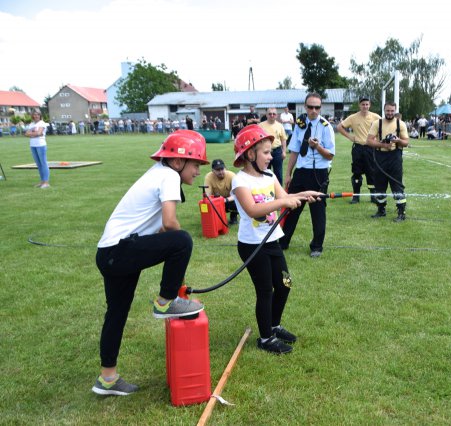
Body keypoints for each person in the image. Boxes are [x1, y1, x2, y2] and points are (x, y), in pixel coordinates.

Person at [92, 130, 208, 396]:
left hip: (109, 253)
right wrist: (177, 256)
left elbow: (156, 232)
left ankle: (107, 379)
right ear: (178, 162)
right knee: (182, 239)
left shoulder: (158, 173)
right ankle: (165, 302)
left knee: (116, 314)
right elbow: (170, 224)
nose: (198, 171)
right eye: (196, 164)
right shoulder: (167, 175)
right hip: (120, 251)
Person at [231, 125, 322, 354]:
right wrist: (283, 203)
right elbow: (252, 209)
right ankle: (265, 339)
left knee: (285, 284)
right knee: (265, 291)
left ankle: (274, 325)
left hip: (272, 241)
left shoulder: (270, 175)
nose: (272, 156)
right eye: (265, 152)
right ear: (250, 154)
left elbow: (285, 197)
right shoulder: (240, 182)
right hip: (253, 246)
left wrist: (304, 194)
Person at [280, 93, 335, 258]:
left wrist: (317, 147)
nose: (313, 110)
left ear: (320, 108)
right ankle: (283, 241)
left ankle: (317, 246)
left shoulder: (326, 127)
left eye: (317, 107)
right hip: (301, 172)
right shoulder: (300, 124)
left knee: (317, 211)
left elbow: (330, 155)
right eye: (310, 107)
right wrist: (288, 174)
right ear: (305, 107)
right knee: (291, 208)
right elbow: (294, 151)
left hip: (318, 173)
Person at [366, 101, 409, 222]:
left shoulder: (401, 124)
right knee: (379, 184)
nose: (390, 113)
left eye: (392, 111)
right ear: (384, 110)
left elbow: (406, 142)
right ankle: (381, 210)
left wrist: (397, 140)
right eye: (387, 110)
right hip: (380, 156)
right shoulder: (376, 123)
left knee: (396, 184)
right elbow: (369, 141)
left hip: (395, 157)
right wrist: (382, 144)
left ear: (395, 111)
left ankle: (401, 212)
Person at [336, 96, 381, 204]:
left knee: (371, 172)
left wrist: (378, 140)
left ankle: (373, 196)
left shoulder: (375, 117)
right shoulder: (353, 117)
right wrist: (349, 136)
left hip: (370, 148)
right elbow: (339, 127)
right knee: (356, 172)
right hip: (358, 148)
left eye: (367, 104)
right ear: (359, 105)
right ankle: (356, 196)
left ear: (369, 105)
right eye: (363, 104)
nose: (365, 106)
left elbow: (383, 127)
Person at [203, 158, 238, 225]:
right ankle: (214, 219)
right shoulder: (208, 177)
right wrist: (216, 201)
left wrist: (225, 200)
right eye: (218, 170)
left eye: (222, 169)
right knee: (206, 204)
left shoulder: (232, 176)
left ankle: (234, 217)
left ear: (225, 168)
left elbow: (237, 194)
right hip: (215, 202)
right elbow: (207, 195)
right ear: (213, 170)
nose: (221, 172)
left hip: (228, 200)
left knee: (237, 201)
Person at [259, 107, 288, 185]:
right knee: (264, 172)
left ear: (276, 115)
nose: (272, 115)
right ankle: (265, 191)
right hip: (264, 152)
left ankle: (279, 193)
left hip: (277, 152)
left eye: (274, 114)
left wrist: (284, 151)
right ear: (266, 115)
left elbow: (283, 140)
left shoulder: (280, 126)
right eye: (270, 114)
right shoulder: (260, 126)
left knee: (278, 173)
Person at [24, 111, 50, 188]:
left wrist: (32, 134)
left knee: (43, 163)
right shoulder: (31, 124)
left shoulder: (42, 123)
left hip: (40, 145)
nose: (36, 116)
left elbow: (39, 133)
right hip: (33, 145)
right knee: (38, 164)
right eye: (34, 115)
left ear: (40, 115)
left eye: (37, 114)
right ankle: (42, 181)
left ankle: (46, 182)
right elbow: (26, 134)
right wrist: (35, 134)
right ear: (32, 116)